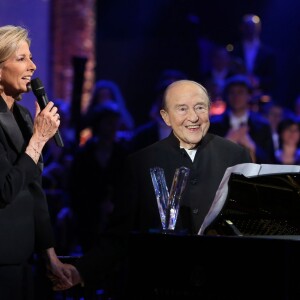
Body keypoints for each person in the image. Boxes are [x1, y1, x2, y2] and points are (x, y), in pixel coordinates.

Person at [54, 80, 252, 297]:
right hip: (161, 283)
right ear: (166, 117)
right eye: (182, 108)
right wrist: (80, 271)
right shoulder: (140, 163)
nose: (193, 117)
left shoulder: (235, 156)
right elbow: (119, 235)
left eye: (200, 107)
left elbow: (247, 227)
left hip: (220, 285)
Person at [0, 25, 72, 299]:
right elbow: (6, 189)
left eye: (30, 57)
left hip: (25, 257)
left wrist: (50, 255)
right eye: (21, 59)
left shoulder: (22, 115)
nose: (33, 65)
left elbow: (34, 190)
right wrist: (38, 140)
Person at [209, 74, 275, 164]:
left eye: (240, 92)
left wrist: (251, 146)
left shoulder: (263, 126)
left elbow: (270, 160)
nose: (236, 97)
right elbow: (206, 159)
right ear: (226, 96)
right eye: (232, 93)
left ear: (249, 96)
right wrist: (226, 142)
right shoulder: (213, 125)